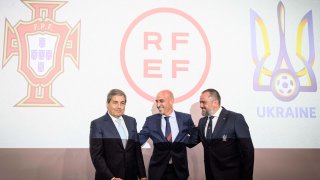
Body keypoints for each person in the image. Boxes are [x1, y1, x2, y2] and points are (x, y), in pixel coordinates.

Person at [139, 89, 197, 180]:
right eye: (157, 101)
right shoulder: (151, 121)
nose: (158, 105)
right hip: (157, 171)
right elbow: (138, 141)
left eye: (161, 101)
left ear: (171, 101)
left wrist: (183, 141)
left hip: (180, 171)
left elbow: (195, 136)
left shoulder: (185, 118)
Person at [89, 89, 147, 180]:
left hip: (131, 176)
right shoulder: (97, 124)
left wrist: (142, 175)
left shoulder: (131, 121)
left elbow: (137, 151)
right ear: (107, 104)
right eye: (115, 102)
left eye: (122, 103)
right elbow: (96, 156)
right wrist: (111, 178)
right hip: (108, 177)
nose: (119, 106)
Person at [197, 88, 254, 180]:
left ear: (215, 103)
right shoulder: (202, 122)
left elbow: (248, 150)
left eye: (203, 102)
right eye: (200, 102)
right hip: (210, 175)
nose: (200, 105)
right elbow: (191, 141)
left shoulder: (235, 118)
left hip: (232, 175)